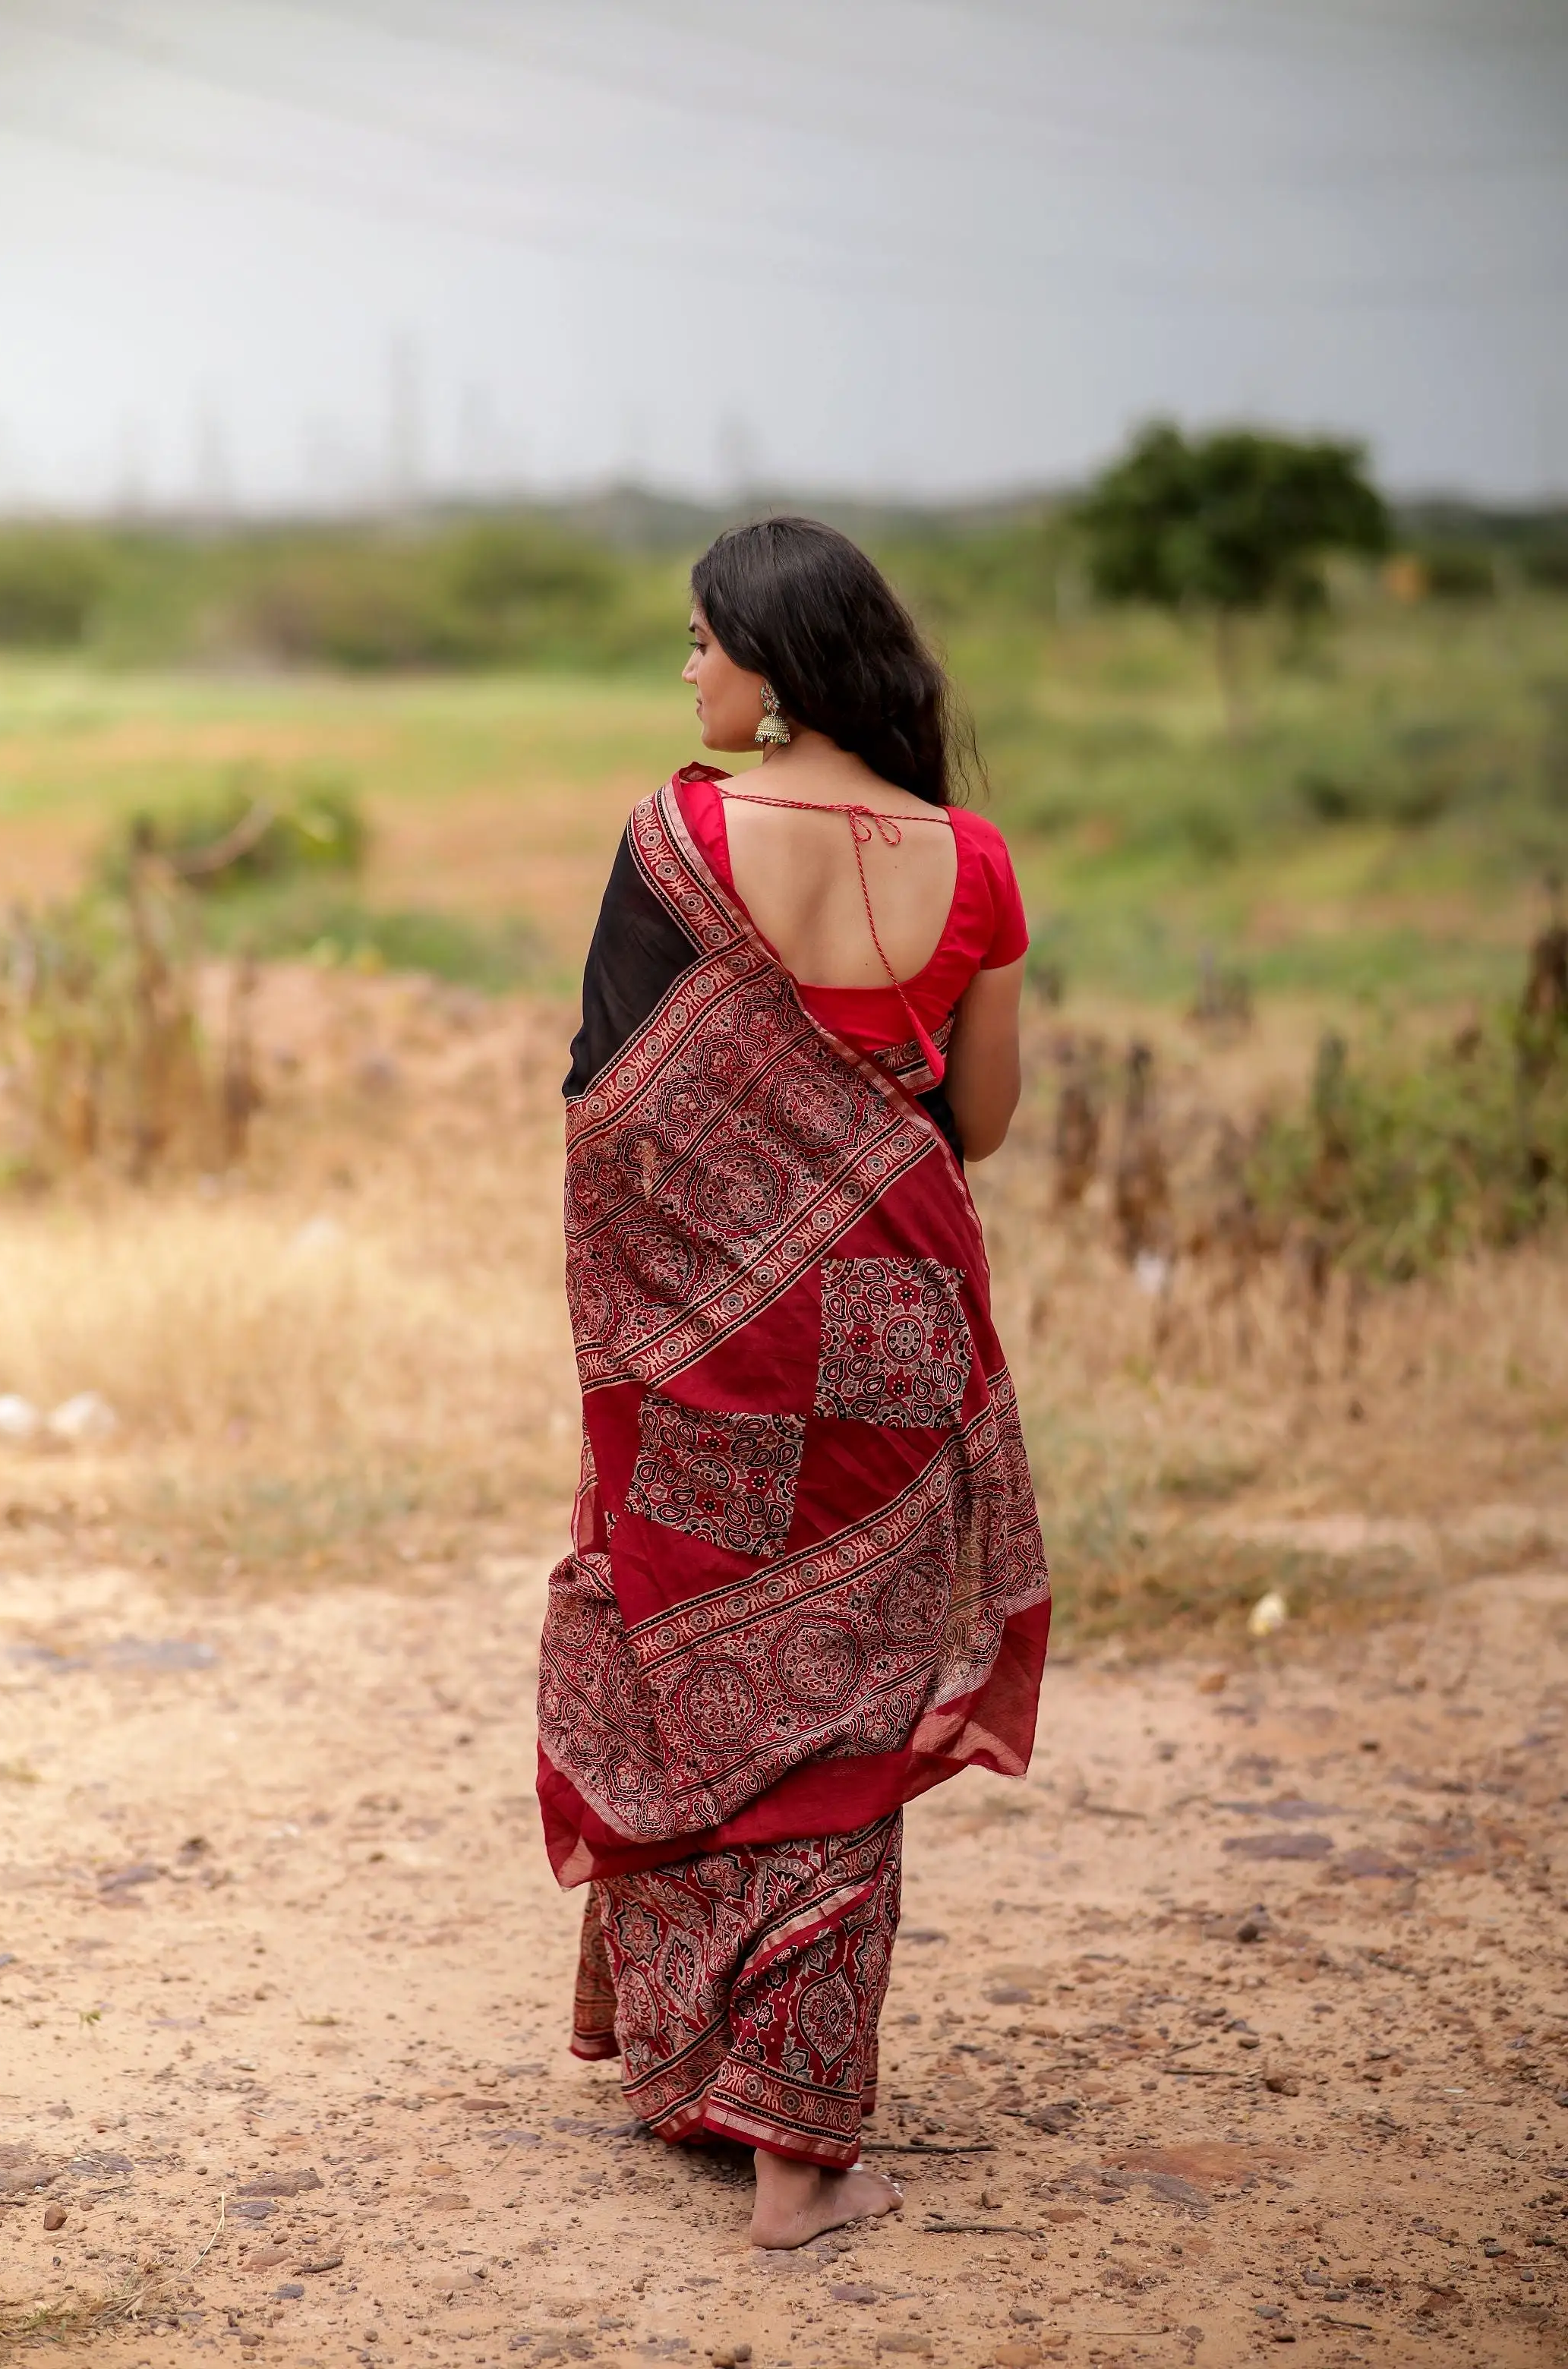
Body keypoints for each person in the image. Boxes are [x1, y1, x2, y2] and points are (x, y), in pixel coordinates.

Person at [538, 516, 1049, 2250]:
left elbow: (609, 1113)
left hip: (713, 1354)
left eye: (697, 640)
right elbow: (972, 1128)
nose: (683, 670)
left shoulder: (676, 835)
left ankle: (718, 2078)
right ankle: (785, 2134)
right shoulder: (965, 858)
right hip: (893, 1325)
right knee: (840, 1704)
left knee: (695, 1666)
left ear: (767, 661)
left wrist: (643, 1326)